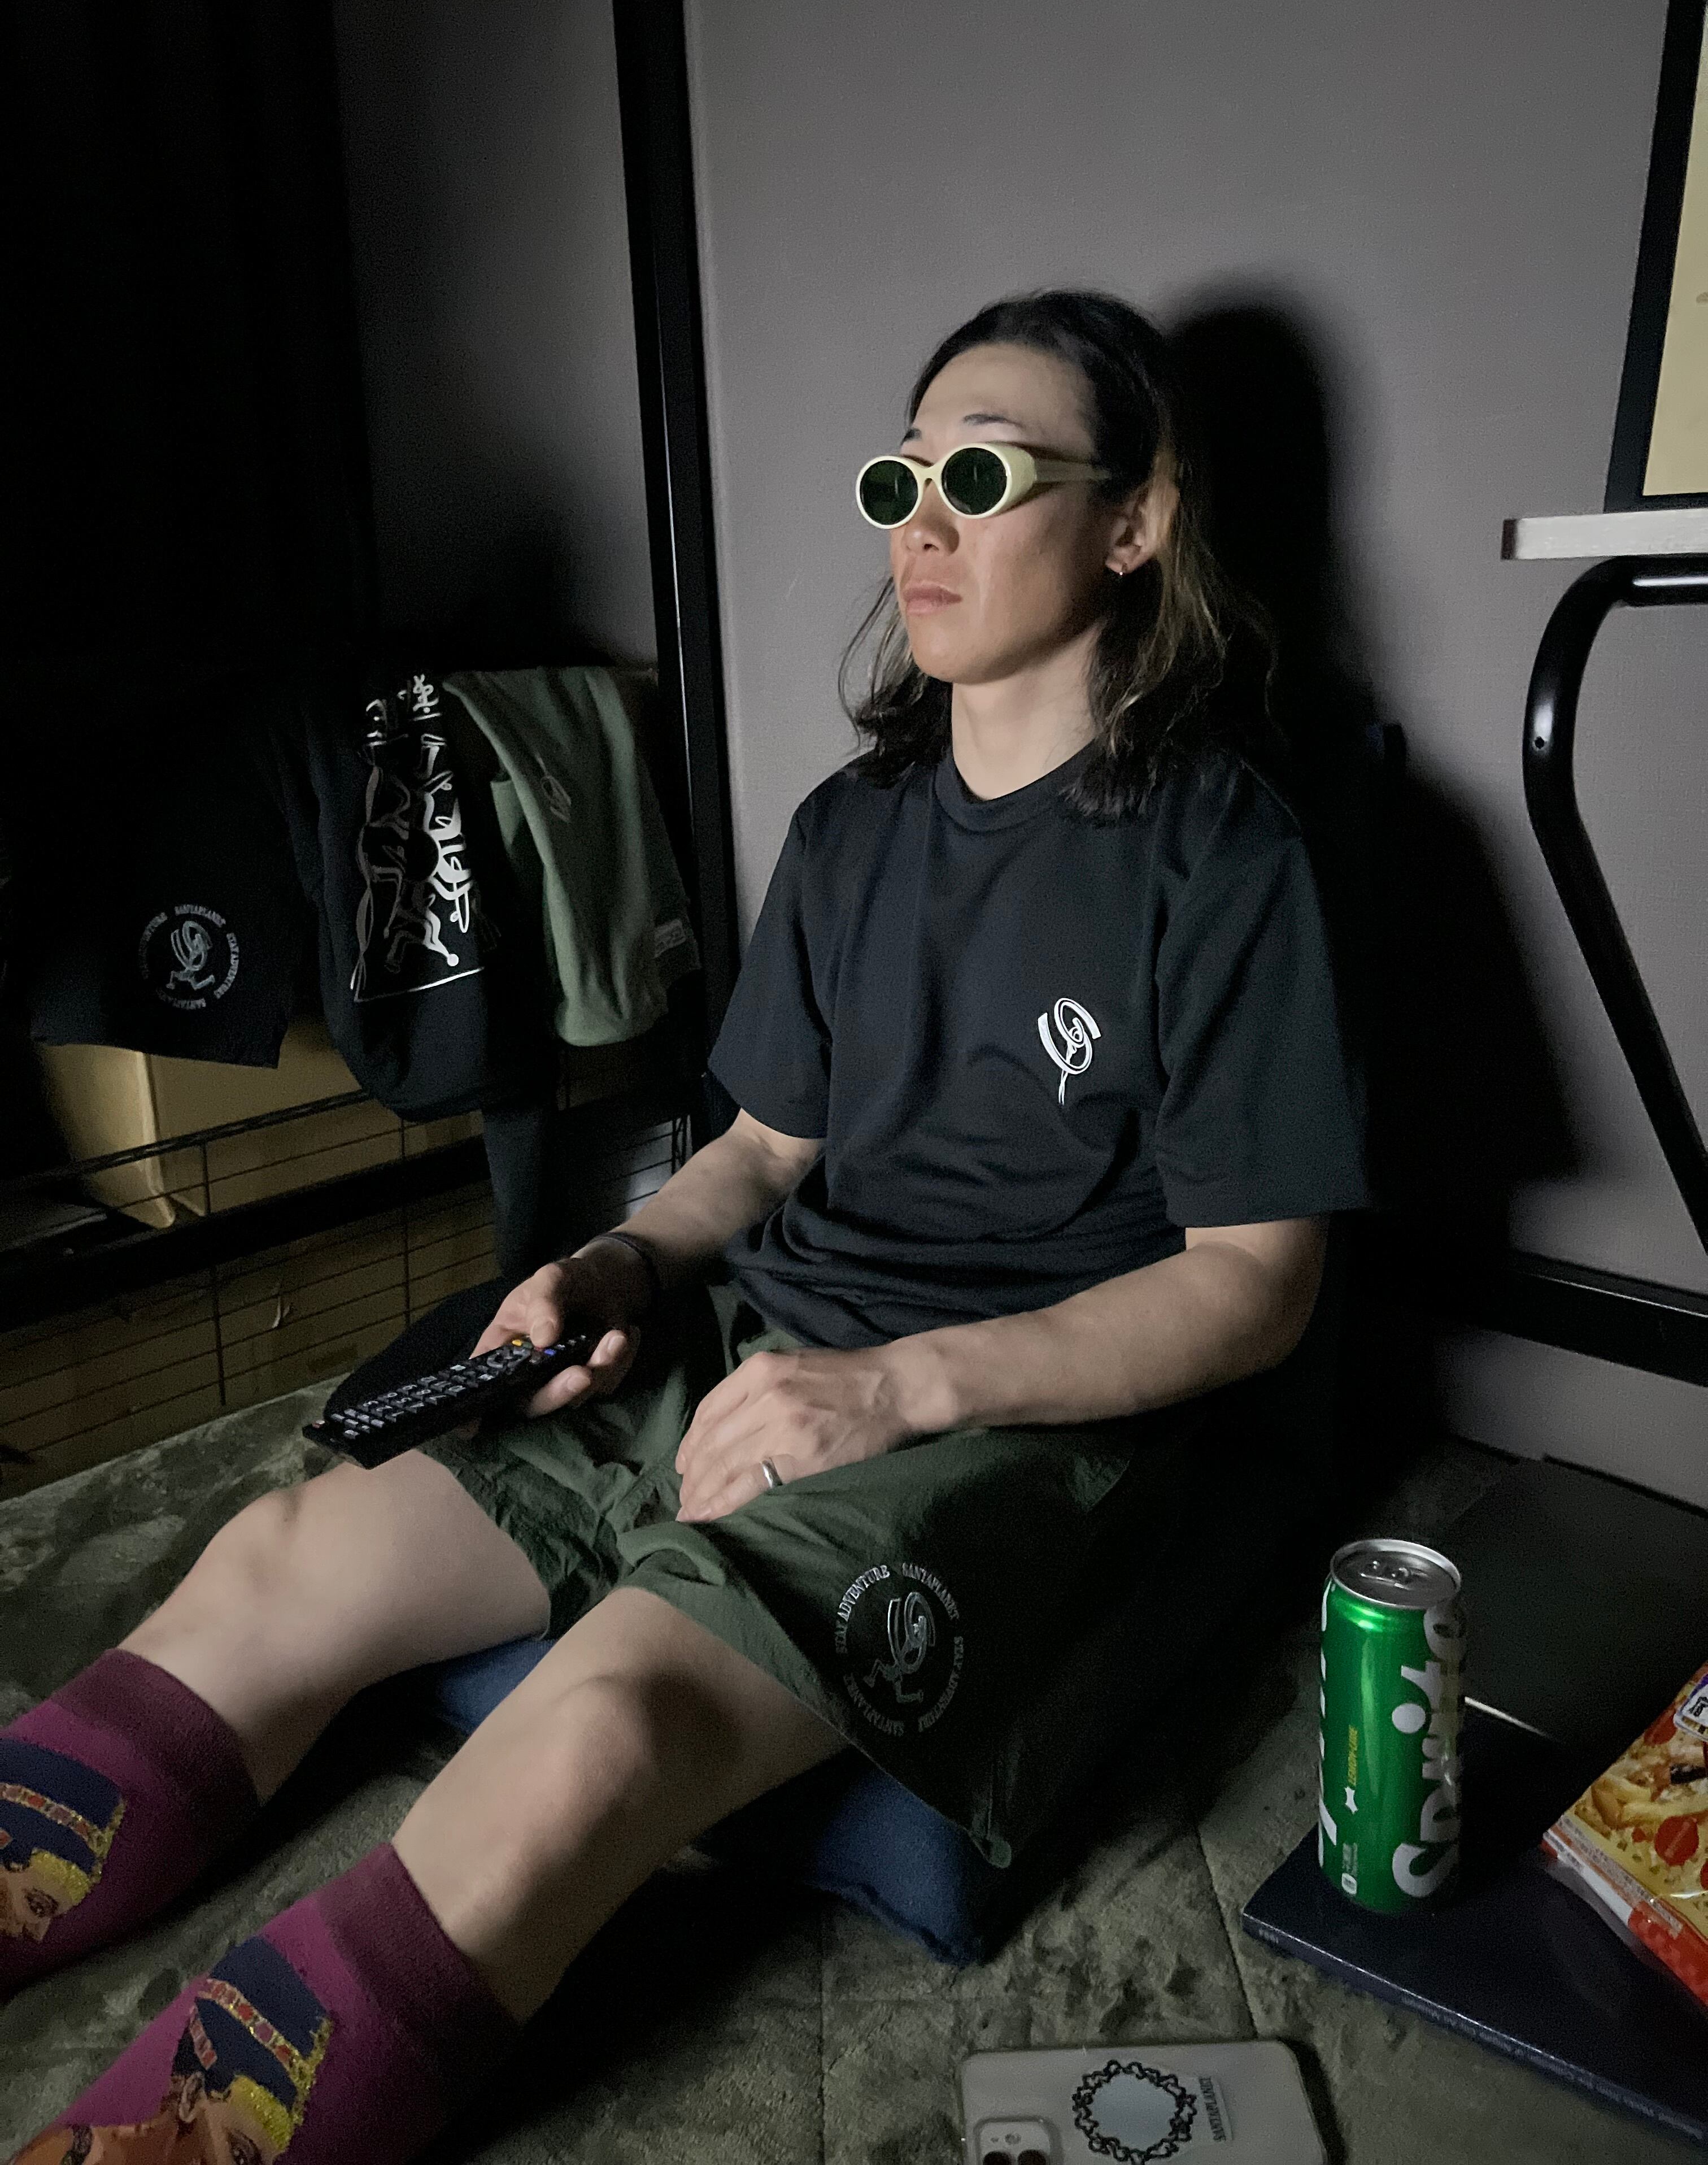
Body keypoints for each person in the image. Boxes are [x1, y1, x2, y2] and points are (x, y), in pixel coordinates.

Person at [4, 289, 1365, 2164]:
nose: (922, 523)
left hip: (997, 1412)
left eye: (981, 476)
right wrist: (625, 1260)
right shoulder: (854, 828)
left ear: (1135, 521)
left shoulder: (1227, 856)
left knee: (597, 1730)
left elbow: (1257, 1286)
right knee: (282, 1551)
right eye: (900, 478)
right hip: (753, 1337)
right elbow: (763, 1149)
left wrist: (892, 1393)